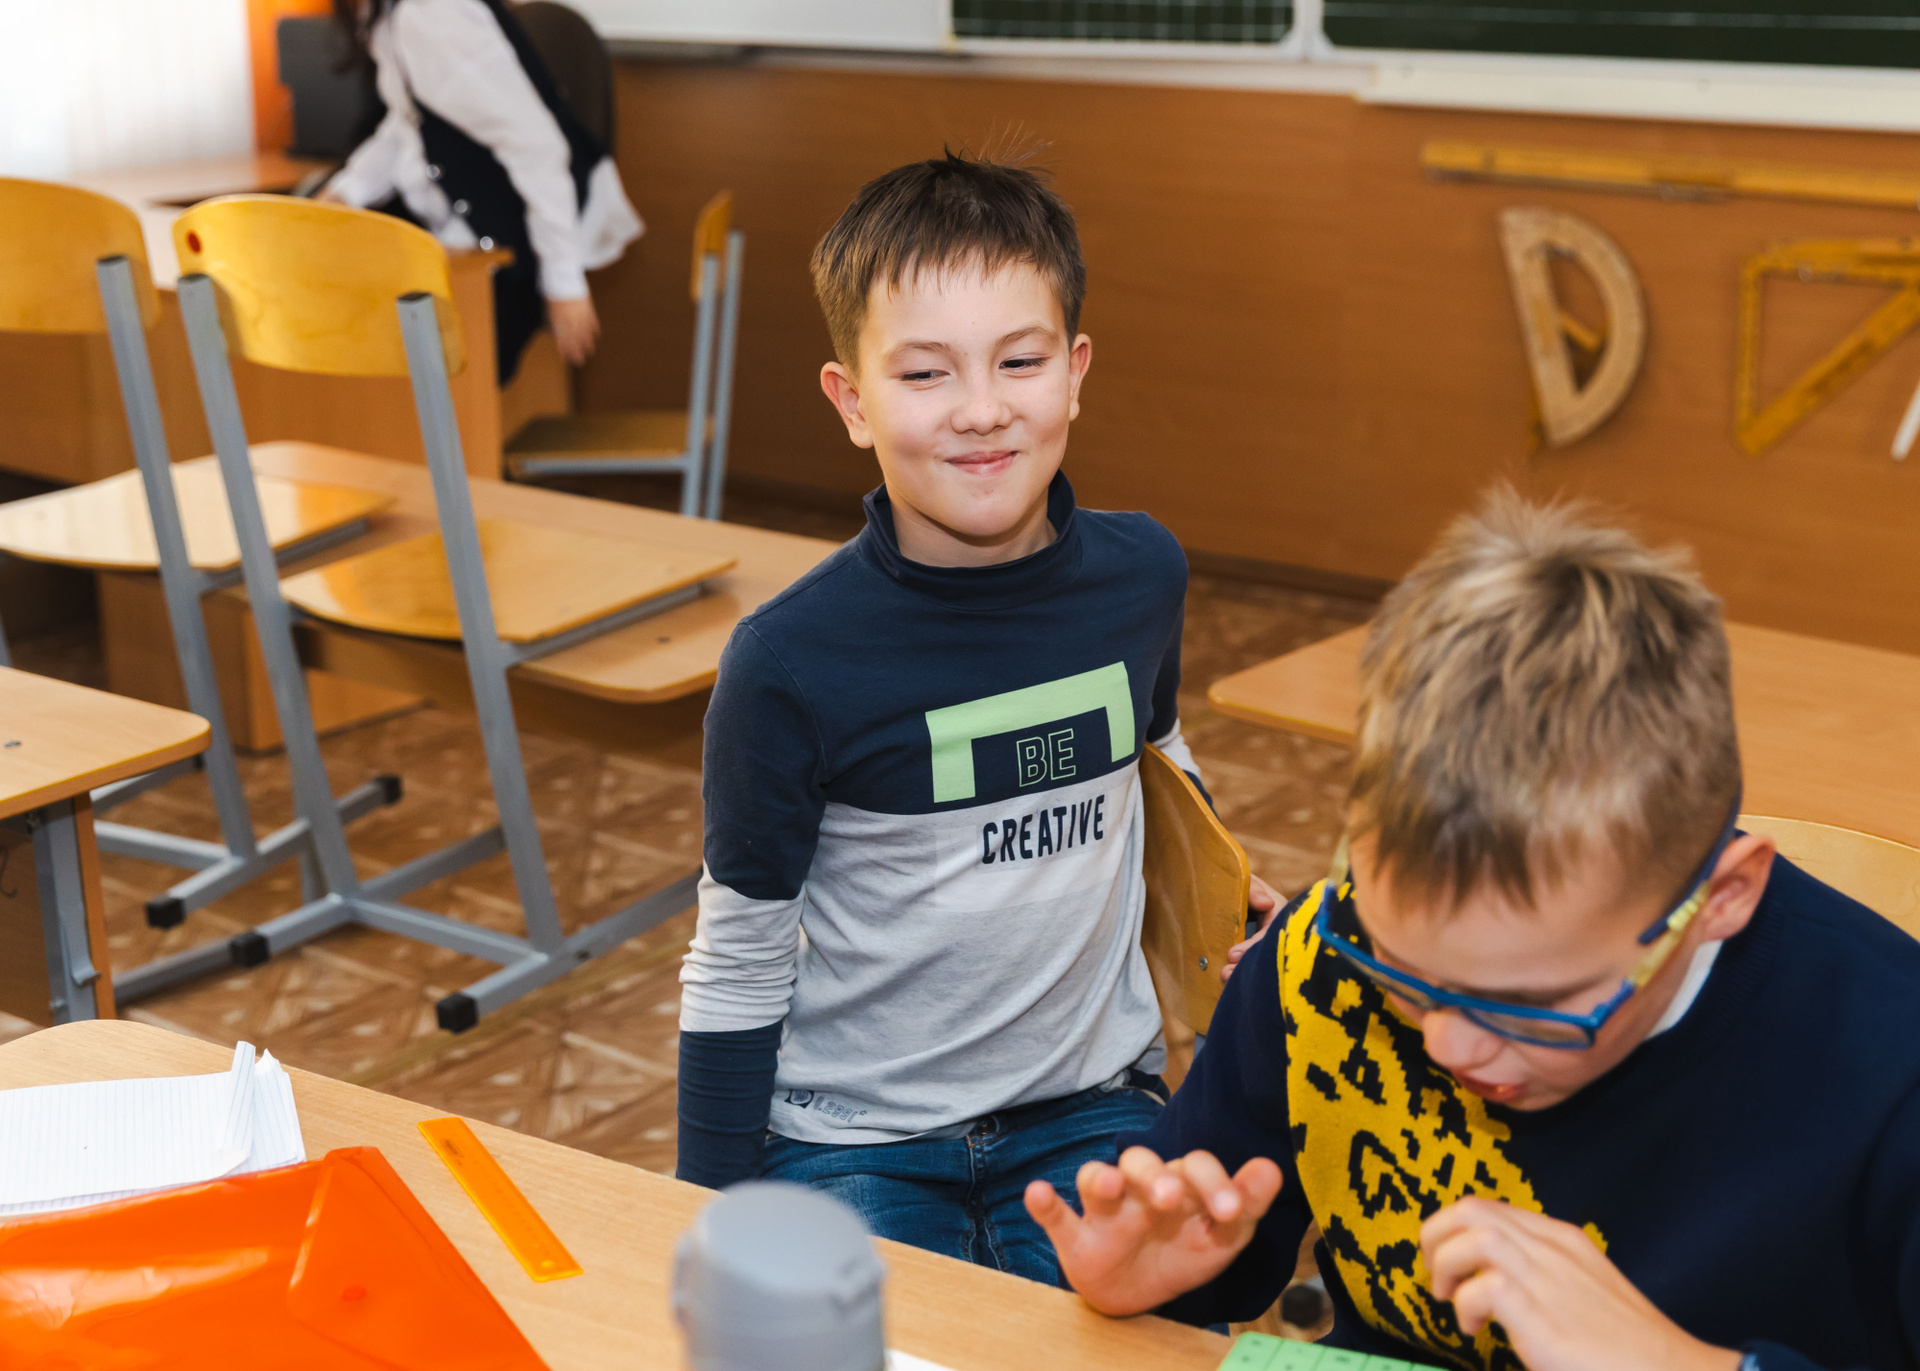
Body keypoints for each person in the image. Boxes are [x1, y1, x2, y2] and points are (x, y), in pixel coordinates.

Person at [1026, 492, 1920, 1370]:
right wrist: (1142, 1287)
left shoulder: (1890, 1078)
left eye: (1533, 1003)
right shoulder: (1322, 957)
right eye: (1403, 972)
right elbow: (1199, 1244)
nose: (1449, 1043)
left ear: (1722, 896)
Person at [672, 150, 1279, 1286]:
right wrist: (705, 1218)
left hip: (1090, 1102)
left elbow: (1152, 750)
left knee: (1168, 1318)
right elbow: (740, 955)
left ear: (1076, 372)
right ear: (852, 401)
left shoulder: (1142, 576)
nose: (984, 410)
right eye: (924, 374)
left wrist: (1218, 877)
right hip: (854, 1136)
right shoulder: (789, 661)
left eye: (1020, 360)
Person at [322, 0, 641, 381]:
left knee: (370, 336)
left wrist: (563, 284)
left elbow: (536, 147)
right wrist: (345, 192)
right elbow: (406, 123)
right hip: (462, 233)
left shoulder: (432, 16)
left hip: (509, 250)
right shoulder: (389, 16)